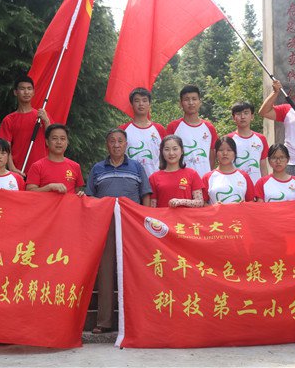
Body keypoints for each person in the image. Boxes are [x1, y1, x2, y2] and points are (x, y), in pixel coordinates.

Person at [85, 129, 152, 334]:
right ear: (107, 145)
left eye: (120, 141)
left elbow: (146, 195)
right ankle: (104, 322)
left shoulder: (136, 167)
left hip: (132, 225)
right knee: (105, 272)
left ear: (126, 144)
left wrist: (144, 221)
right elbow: (89, 197)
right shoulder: (98, 169)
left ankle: (135, 321)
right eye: (112, 141)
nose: (116, 145)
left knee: (134, 270)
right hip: (105, 224)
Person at [0, 73, 51, 178]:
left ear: (33, 92)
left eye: (29, 89)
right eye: (22, 89)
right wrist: (12, 168)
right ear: (15, 92)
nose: (26, 92)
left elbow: (52, 141)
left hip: (42, 170)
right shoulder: (9, 119)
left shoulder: (42, 116)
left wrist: (47, 121)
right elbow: (5, 147)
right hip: (19, 171)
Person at [167, 85, 218, 178]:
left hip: (204, 179)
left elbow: (212, 155)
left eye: (194, 99)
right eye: (186, 99)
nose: (191, 103)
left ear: (200, 102)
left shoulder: (209, 127)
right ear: (180, 103)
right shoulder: (173, 127)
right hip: (181, 180)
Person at [119, 87, 167, 178]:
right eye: (137, 101)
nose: (141, 104)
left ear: (149, 104)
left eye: (144, 100)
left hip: (155, 180)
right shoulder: (123, 130)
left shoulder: (159, 129)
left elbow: (166, 155)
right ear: (132, 104)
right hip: (130, 179)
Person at [26, 124, 84, 196]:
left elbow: (77, 194)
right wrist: (49, 187)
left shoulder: (75, 166)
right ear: (47, 142)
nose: (59, 142)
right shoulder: (37, 166)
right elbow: (29, 193)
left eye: (62, 139)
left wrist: (81, 195)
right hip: (45, 203)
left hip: (68, 204)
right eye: (54, 138)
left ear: (67, 142)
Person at [149, 135, 204, 208]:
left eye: (175, 149)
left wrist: (181, 202)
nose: (171, 153)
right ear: (162, 152)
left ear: (182, 151)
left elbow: (200, 202)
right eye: (167, 149)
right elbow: (152, 207)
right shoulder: (154, 178)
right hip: (163, 216)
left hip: (187, 215)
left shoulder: (192, 174)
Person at [202, 136, 255, 204]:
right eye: (221, 150)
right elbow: (203, 203)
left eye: (229, 150)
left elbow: (251, 201)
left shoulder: (244, 176)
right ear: (215, 153)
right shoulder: (207, 177)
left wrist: (244, 205)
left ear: (235, 153)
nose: (225, 153)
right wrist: (214, 208)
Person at [226, 101, 269, 186]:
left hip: (256, 185)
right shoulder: (228, 139)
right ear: (233, 118)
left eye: (246, 113)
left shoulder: (261, 139)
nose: (242, 117)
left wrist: (265, 185)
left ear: (252, 116)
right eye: (238, 114)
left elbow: (263, 165)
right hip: (235, 186)